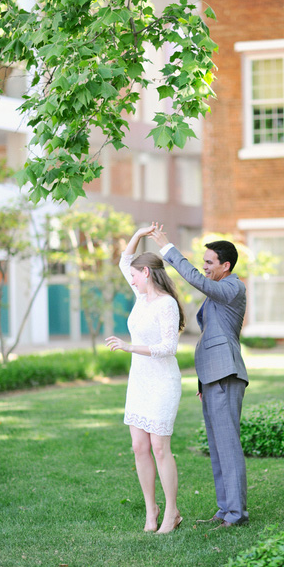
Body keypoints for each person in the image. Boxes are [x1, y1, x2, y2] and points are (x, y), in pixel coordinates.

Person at [150, 223, 249, 529]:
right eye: (203, 262)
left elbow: (193, 279)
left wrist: (167, 248)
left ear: (226, 266)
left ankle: (237, 514)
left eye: (209, 263)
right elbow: (212, 338)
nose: (204, 268)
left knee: (228, 445)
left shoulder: (233, 287)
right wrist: (202, 381)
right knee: (218, 446)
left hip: (226, 375)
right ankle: (225, 509)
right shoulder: (219, 293)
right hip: (212, 378)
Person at [105, 226, 185, 534]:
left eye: (137, 275)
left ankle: (172, 512)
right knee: (140, 446)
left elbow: (169, 348)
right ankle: (151, 510)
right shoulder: (141, 296)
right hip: (139, 382)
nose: (132, 279)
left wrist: (130, 347)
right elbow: (125, 262)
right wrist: (139, 234)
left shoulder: (166, 304)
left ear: (148, 273)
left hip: (163, 381)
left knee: (159, 446)